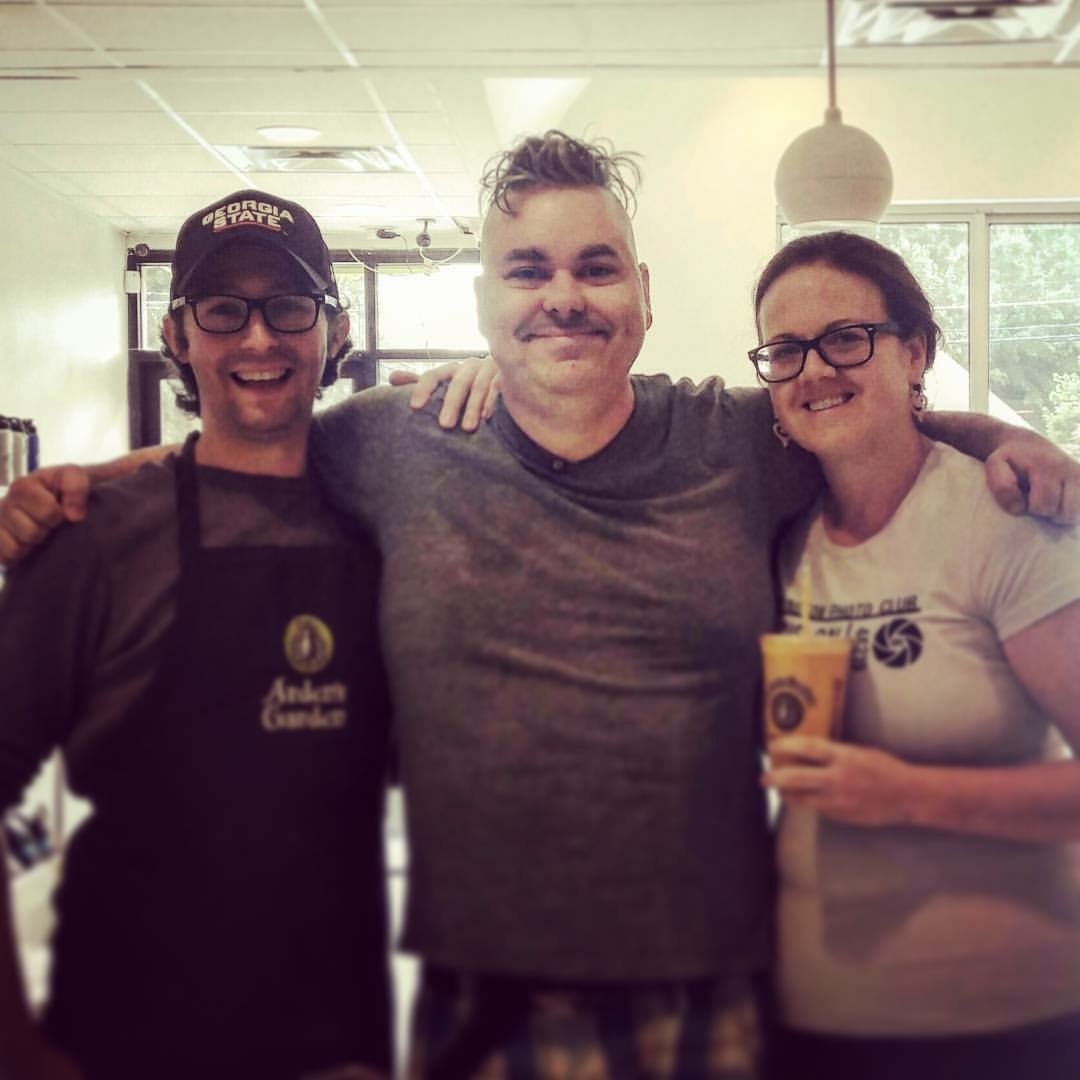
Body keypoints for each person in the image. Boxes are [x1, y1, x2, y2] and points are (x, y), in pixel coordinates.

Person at [2, 133, 1079, 1080]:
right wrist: (85, 487)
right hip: (485, 1010)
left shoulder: (740, 440)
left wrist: (1009, 440)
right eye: (528, 269)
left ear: (642, 292)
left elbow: (857, 406)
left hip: (714, 999)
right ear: (486, 303)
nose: (563, 294)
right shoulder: (395, 439)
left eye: (595, 267)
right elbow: (242, 450)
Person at [0, 190, 393, 1080]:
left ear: (335, 331)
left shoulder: (388, 519)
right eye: (222, 310)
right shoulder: (95, 539)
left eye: (288, 307)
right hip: (125, 1039)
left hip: (337, 1040)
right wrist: (16, 1047)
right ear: (176, 335)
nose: (257, 339)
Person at [752, 231, 1080, 1080]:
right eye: (785, 351)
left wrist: (908, 795)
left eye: (846, 338)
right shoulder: (779, 531)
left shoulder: (1005, 517)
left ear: (915, 352)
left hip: (1002, 1028)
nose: (813, 370)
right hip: (810, 1025)